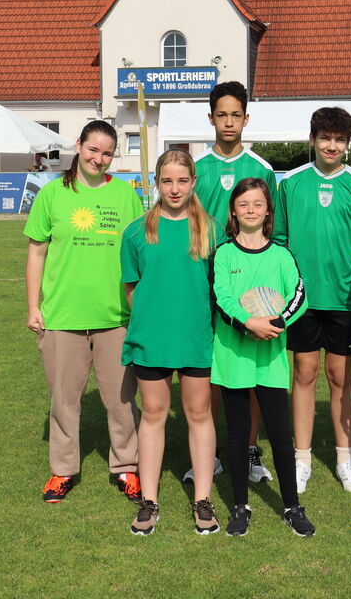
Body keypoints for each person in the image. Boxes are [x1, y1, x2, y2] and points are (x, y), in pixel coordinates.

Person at [24, 120, 144, 504]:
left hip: (116, 318)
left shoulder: (125, 195)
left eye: (107, 153)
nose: (99, 158)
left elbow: (140, 253)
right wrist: (33, 306)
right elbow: (36, 253)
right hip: (62, 317)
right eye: (93, 149)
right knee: (63, 402)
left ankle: (127, 467)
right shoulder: (52, 195)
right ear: (78, 146)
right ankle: (63, 471)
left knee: (122, 402)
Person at [274, 107, 351, 494]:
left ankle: (345, 460)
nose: (332, 146)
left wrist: (344, 262)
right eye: (325, 138)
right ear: (312, 139)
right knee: (304, 372)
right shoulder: (291, 182)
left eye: (340, 140)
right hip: (301, 297)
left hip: (343, 296)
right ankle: (301, 460)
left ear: (348, 145)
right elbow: (280, 238)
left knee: (339, 376)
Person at [121, 150, 219, 535]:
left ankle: (203, 500)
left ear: (194, 182)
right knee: (154, 414)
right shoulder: (135, 232)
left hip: (196, 338)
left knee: (199, 414)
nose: (174, 189)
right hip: (152, 340)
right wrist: (153, 323)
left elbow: (218, 287)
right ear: (156, 183)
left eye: (182, 181)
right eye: (167, 181)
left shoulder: (211, 230)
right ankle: (149, 501)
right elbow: (132, 288)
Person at [211, 178, 315, 537]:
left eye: (258, 204)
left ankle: (292, 507)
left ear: (268, 211)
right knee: (238, 434)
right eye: (243, 204)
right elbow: (221, 297)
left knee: (281, 435)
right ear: (233, 211)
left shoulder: (281, 255)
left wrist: (277, 323)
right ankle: (240, 506)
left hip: (270, 358)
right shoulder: (224, 254)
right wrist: (248, 323)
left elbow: (299, 295)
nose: (251, 210)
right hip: (233, 356)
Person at [191, 80, 278, 484]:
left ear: (246, 118)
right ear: (211, 118)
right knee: (209, 368)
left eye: (236, 115)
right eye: (222, 115)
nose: (229, 122)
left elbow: (273, 231)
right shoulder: (196, 168)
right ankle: (209, 453)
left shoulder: (261, 170)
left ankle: (249, 450)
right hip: (203, 281)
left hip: (249, 288)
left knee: (252, 369)